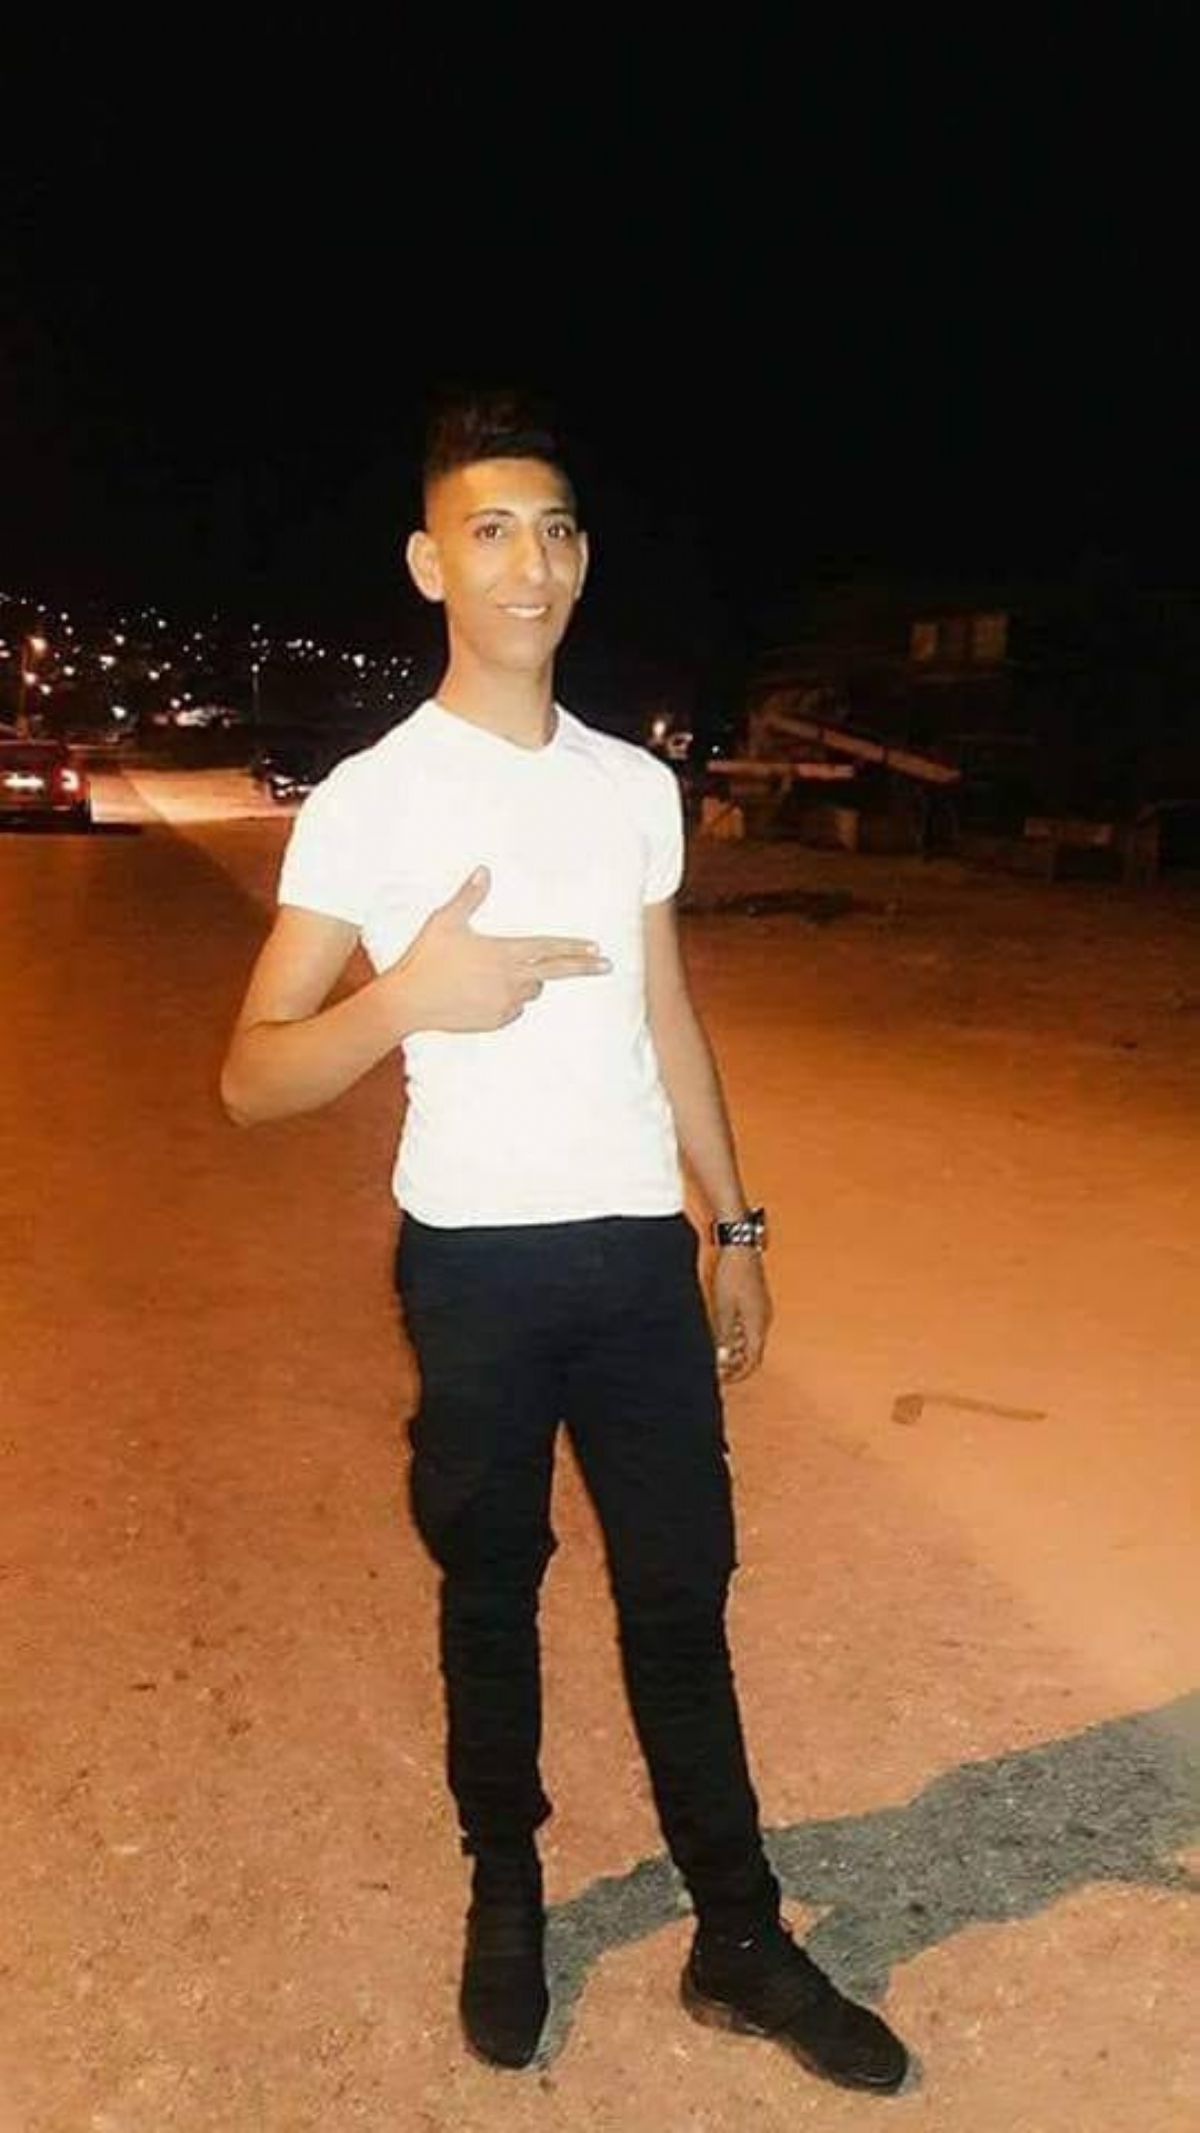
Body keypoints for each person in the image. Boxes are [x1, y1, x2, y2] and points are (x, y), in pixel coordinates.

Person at [220, 394, 909, 2094]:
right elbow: (252, 1076)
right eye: (489, 530)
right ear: (428, 563)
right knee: (493, 1588)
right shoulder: (372, 800)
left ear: (583, 560)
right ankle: (508, 1891)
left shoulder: (632, 788)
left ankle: (737, 1932)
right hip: (474, 1264)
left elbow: (669, 1014)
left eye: (554, 529)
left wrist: (734, 1223)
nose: (526, 562)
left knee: (683, 1593)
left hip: (630, 1261)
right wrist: (407, 995)